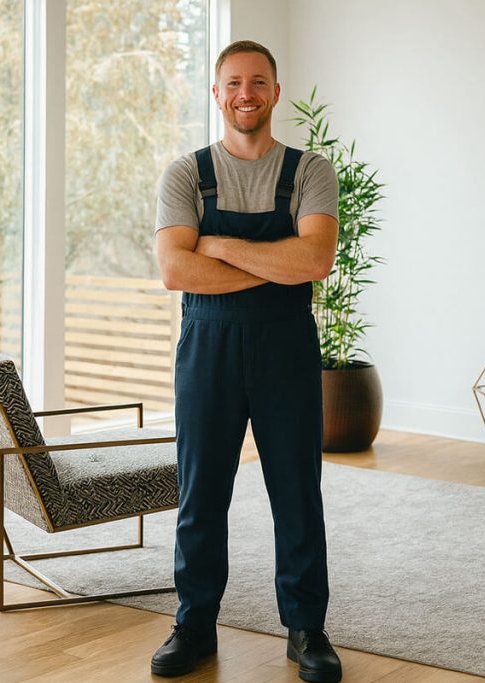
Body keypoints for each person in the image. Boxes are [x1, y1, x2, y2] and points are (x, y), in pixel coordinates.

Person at [150, 40, 342, 683]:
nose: (246, 94)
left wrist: (219, 246)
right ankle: (194, 625)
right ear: (216, 93)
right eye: (233, 83)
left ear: (276, 92)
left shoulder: (310, 171)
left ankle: (307, 629)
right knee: (201, 492)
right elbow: (176, 270)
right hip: (207, 348)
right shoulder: (185, 174)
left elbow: (315, 261)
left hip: (286, 348)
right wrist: (276, 265)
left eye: (258, 82)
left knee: (297, 491)